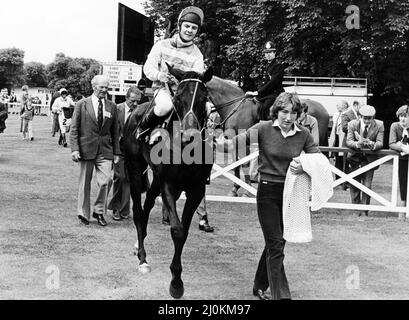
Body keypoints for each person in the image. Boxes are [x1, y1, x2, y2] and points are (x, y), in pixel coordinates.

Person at [216, 92, 320, 300]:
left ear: (299, 115)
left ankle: (259, 285)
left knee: (277, 241)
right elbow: (233, 144)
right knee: (276, 244)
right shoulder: (262, 128)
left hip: (291, 194)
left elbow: (318, 160)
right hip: (267, 192)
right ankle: (281, 295)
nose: (288, 118)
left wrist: (306, 166)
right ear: (276, 112)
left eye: (293, 113)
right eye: (284, 112)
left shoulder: (303, 135)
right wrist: (215, 141)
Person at [137, 6, 205, 138]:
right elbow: (148, 68)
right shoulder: (161, 45)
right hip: (163, 90)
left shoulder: (198, 55)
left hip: (185, 95)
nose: (190, 30)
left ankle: (204, 141)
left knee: (205, 108)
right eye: (187, 26)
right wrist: (159, 75)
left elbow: (197, 78)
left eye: (194, 28)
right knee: (165, 106)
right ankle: (143, 129)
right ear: (180, 26)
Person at [70, 75, 120, 227]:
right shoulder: (81, 104)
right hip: (86, 149)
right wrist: (74, 149)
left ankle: (98, 211)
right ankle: (83, 214)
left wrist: (116, 152)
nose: (104, 90)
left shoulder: (112, 106)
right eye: (102, 87)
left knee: (106, 181)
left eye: (106, 87)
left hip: (105, 150)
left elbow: (115, 132)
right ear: (94, 87)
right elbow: (74, 129)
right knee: (85, 183)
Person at [108, 86, 141, 221]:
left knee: (129, 180)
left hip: (134, 151)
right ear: (126, 98)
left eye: (137, 101)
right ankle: (116, 208)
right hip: (118, 149)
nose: (135, 104)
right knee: (120, 177)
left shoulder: (140, 111)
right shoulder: (117, 109)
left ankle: (124, 209)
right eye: (132, 100)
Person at [346, 105, 384, 218]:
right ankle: (355, 210)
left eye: (369, 118)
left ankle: (364, 211)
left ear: (373, 117)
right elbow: (349, 141)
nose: (367, 120)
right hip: (354, 158)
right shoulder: (352, 124)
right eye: (365, 118)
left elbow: (380, 142)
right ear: (360, 116)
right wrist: (357, 144)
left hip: (369, 160)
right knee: (354, 185)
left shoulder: (380, 125)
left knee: (367, 186)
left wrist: (373, 145)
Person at [245, 41, 285, 121]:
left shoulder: (278, 66)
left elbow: (272, 83)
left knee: (265, 107)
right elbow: (263, 82)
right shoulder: (266, 66)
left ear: (275, 53)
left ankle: (267, 126)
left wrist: (258, 92)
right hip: (266, 94)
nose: (268, 55)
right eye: (266, 53)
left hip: (275, 94)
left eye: (270, 52)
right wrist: (255, 92)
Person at [389, 105, 409, 220]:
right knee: (403, 184)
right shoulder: (395, 126)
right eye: (401, 116)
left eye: (405, 116)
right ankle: (402, 212)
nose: (403, 119)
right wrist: (402, 148)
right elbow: (391, 143)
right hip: (401, 160)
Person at [329, 101, 349, 180]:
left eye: (339, 105)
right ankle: (338, 178)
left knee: (344, 160)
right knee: (337, 160)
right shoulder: (336, 114)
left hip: (344, 140)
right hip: (336, 139)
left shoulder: (347, 114)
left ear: (344, 106)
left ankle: (345, 180)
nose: (337, 106)